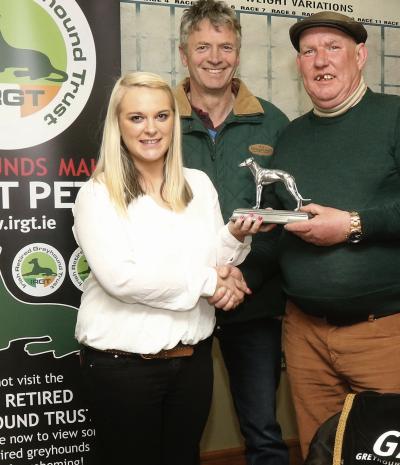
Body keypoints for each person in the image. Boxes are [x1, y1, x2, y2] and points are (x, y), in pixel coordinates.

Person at [270, 11, 400, 457]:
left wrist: (352, 224)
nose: (320, 61)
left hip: (379, 333)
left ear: (361, 56)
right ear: (299, 65)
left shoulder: (399, 118)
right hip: (303, 333)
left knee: (389, 452)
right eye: (309, 52)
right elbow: (280, 229)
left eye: (333, 48)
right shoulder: (290, 138)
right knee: (322, 451)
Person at [72, 72, 259, 465]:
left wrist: (234, 238)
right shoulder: (98, 193)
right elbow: (122, 278)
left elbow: (212, 259)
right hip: (122, 369)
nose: (151, 129)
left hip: (192, 362)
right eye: (136, 118)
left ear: (175, 120)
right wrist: (213, 282)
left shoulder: (199, 183)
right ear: (117, 126)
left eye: (161, 116)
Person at [175, 2, 291, 464]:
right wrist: (202, 278)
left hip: (253, 300)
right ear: (184, 54)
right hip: (180, 301)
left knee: (263, 431)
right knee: (178, 432)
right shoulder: (159, 120)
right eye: (203, 46)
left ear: (238, 53)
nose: (215, 57)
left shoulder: (273, 122)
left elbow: (289, 217)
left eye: (226, 46)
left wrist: (247, 277)